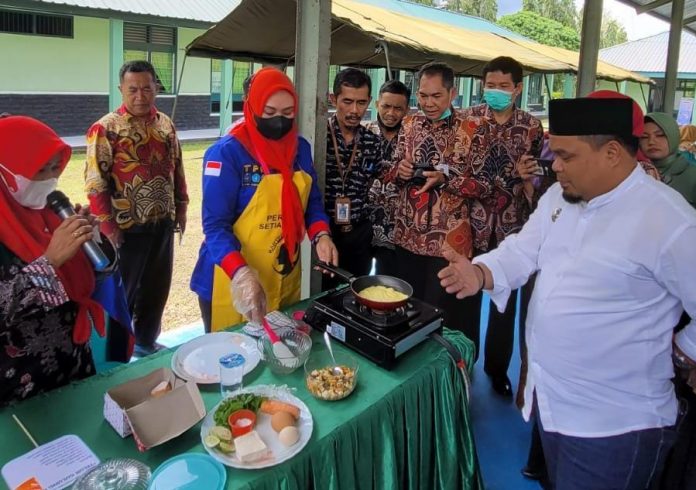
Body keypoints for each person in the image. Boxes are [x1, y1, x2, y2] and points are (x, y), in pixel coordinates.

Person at [439, 96, 696, 489]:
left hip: (615, 426)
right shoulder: (561, 197)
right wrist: (481, 272)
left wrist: (686, 348)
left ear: (612, 153)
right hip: (553, 405)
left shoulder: (668, 220)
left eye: (565, 155)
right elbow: (524, 248)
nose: (553, 166)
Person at [190, 67, 338, 332]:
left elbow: (312, 202)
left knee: (279, 348)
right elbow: (215, 227)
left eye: (288, 113)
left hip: (283, 274)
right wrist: (241, 273)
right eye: (269, 113)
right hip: (231, 277)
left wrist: (321, 235)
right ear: (253, 106)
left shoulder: (299, 149)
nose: (279, 121)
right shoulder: (227, 154)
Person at [84, 60, 189, 358]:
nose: (140, 95)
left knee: (156, 290)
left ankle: (145, 343)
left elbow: (177, 169)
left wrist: (181, 207)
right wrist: (108, 227)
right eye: (133, 89)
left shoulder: (165, 124)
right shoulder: (105, 129)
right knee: (122, 294)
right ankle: (115, 355)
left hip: (162, 223)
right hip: (125, 229)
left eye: (146, 88)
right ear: (121, 90)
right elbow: (95, 182)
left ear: (156, 87)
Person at [0, 115, 103, 404]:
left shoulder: (50, 208)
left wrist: (91, 240)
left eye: (55, 168)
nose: (49, 180)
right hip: (19, 389)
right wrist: (50, 262)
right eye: (39, 170)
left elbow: (98, 275)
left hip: (73, 364)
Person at [382, 61, 488, 341]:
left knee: (446, 318)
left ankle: (453, 375)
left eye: (436, 96)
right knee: (409, 313)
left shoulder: (473, 128)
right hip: (408, 238)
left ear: (452, 94)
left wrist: (447, 180)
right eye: (423, 96)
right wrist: (400, 171)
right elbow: (390, 171)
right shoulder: (409, 124)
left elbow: (485, 185)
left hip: (449, 243)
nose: (428, 103)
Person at [460, 56, 544, 397]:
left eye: (504, 87)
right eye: (490, 86)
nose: (495, 92)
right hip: (472, 221)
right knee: (464, 294)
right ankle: (463, 362)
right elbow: (457, 168)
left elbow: (538, 177)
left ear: (518, 88)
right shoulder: (467, 121)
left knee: (503, 299)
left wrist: (528, 180)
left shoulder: (531, 127)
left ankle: (497, 368)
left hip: (512, 223)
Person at [322, 68, 381, 290]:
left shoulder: (372, 142)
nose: (355, 110)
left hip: (359, 234)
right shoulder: (319, 137)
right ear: (333, 98)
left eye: (361, 103)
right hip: (325, 233)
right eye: (347, 101)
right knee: (322, 296)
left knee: (356, 292)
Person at [365, 79, 411, 276]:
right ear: (377, 104)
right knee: (356, 286)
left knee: (389, 287)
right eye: (386, 106)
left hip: (396, 232)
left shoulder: (413, 139)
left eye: (397, 108)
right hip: (363, 227)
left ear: (407, 109)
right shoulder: (363, 133)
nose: (391, 113)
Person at [640, 112, 696, 207]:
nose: (651, 141)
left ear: (673, 135)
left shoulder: (692, 176)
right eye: (644, 137)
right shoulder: (637, 172)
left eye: (660, 135)